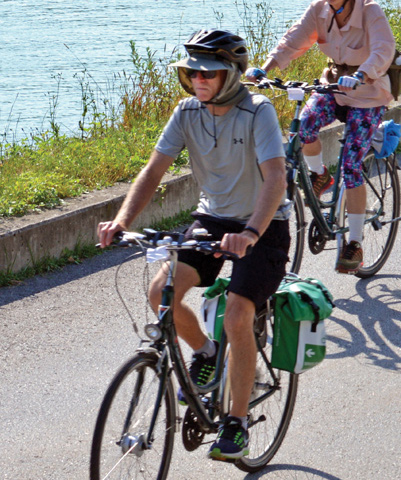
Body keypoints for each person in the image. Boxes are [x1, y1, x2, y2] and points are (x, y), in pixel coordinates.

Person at [97, 29, 291, 462]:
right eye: (191, 74)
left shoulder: (257, 112)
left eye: (208, 75)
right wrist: (123, 220)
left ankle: (236, 423)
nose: (198, 82)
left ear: (232, 75)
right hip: (212, 221)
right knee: (159, 293)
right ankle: (205, 352)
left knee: (239, 314)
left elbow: (275, 179)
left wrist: (252, 234)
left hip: (263, 224)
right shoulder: (186, 113)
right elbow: (153, 171)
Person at [245, 0, 396, 276]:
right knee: (304, 127)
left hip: (367, 93)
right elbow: (293, 42)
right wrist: (265, 69)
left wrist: (363, 74)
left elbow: (384, 50)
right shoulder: (319, 11)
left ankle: (354, 243)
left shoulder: (370, 11)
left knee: (353, 166)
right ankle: (320, 175)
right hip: (332, 87)